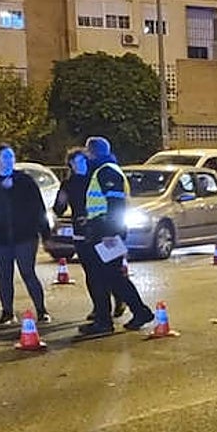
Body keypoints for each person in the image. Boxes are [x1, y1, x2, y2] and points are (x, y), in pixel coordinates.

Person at [76, 136, 154, 335]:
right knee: (111, 276)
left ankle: (106, 321)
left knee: (103, 277)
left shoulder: (106, 172)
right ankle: (138, 312)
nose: (85, 155)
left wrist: (106, 232)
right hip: (106, 231)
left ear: (92, 152)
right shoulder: (107, 170)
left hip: (107, 234)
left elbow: (115, 205)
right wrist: (91, 220)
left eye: (87, 151)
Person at [0, 143, 51, 325]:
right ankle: (7, 312)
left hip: (25, 236)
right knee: (4, 275)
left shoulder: (24, 181)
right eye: (5, 157)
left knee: (28, 272)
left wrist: (45, 233)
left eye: (11, 157)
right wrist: (3, 191)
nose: (10, 161)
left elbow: (37, 207)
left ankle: (41, 311)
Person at [53, 149, 126, 321]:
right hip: (83, 235)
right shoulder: (69, 184)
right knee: (92, 274)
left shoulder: (98, 177)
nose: (80, 166)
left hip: (107, 233)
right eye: (75, 163)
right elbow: (59, 208)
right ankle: (100, 309)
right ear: (70, 165)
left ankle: (120, 299)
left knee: (114, 271)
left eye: (83, 161)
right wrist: (60, 203)